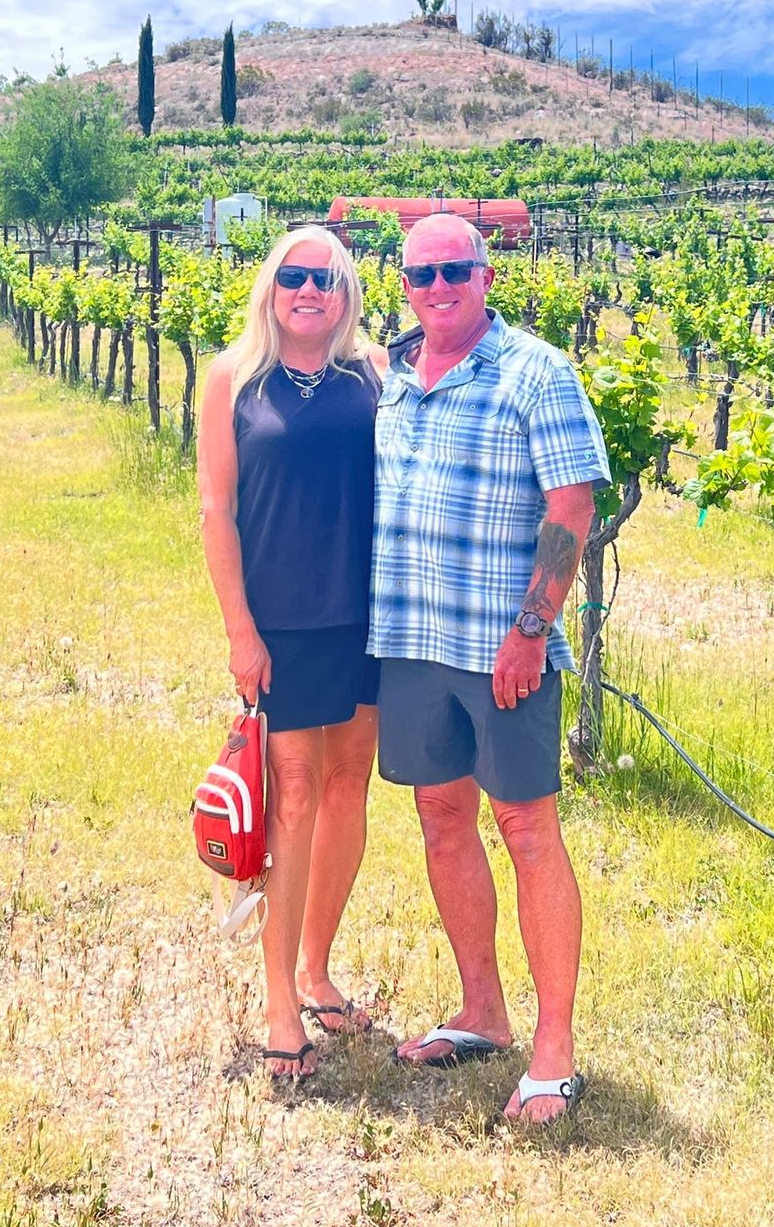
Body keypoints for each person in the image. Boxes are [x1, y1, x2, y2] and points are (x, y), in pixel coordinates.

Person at [370, 213, 610, 1122]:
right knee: (440, 817)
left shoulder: (537, 372)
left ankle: (554, 1049)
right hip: (411, 641)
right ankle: (483, 1009)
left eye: (454, 270)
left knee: (527, 830)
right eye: (421, 275)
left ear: (486, 273)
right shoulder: (392, 374)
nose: (439, 288)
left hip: (498, 650)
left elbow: (572, 503)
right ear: (404, 285)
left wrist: (531, 629)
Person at [197, 225, 384, 1081]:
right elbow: (217, 513)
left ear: (347, 295)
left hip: (368, 617)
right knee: (295, 798)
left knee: (349, 786)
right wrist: (241, 630)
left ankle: (316, 965)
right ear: (271, 288)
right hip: (283, 626)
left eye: (329, 278)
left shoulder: (372, 373)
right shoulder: (230, 377)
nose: (310, 291)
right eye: (295, 276)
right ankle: (280, 1002)